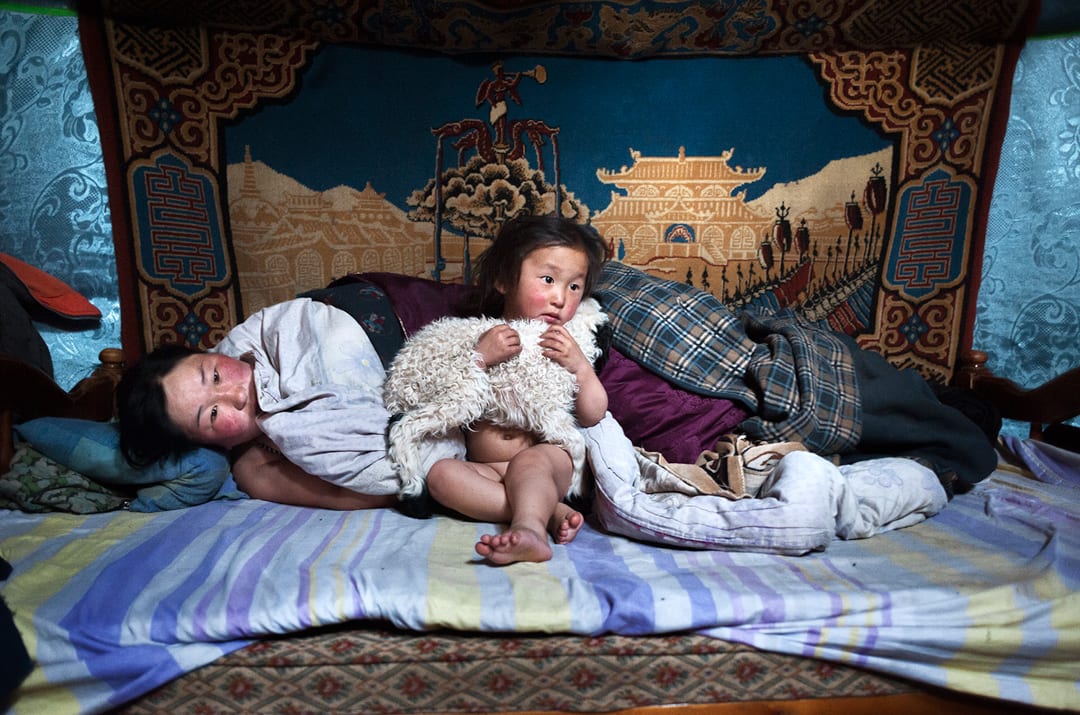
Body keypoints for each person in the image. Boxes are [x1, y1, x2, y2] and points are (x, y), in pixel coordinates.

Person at [392, 215, 610, 565]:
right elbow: (443, 389)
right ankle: (546, 512)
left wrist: (581, 367)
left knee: (531, 460)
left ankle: (529, 530)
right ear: (504, 281)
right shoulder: (475, 334)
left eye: (574, 287)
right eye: (549, 279)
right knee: (441, 477)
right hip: (486, 467)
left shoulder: (571, 342)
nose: (560, 298)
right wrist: (479, 358)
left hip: (549, 461)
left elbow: (594, 412)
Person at [116, 295, 460, 511]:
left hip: (409, 310)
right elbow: (365, 492)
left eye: (216, 376)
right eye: (213, 414)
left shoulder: (257, 340)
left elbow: (309, 328)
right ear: (202, 443)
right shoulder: (255, 469)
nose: (236, 395)